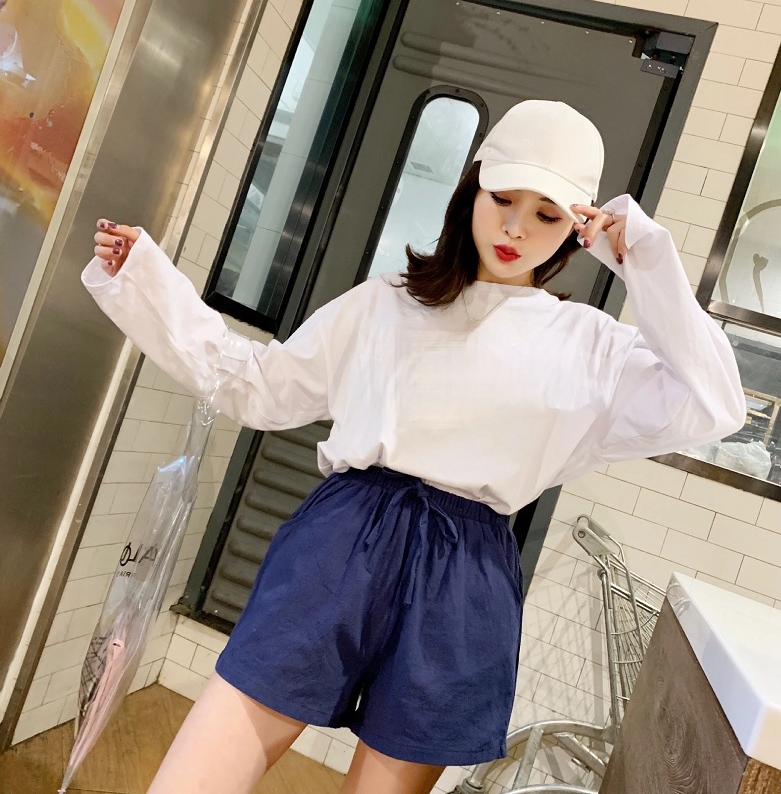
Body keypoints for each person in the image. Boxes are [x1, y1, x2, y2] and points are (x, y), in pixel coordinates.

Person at [82, 100, 746, 794]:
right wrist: (150, 284)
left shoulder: (590, 346)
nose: (516, 228)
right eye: (503, 199)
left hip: (465, 577)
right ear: (473, 189)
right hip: (343, 543)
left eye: (547, 214)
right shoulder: (389, 303)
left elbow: (715, 403)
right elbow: (258, 387)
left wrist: (640, 256)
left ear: (577, 228)